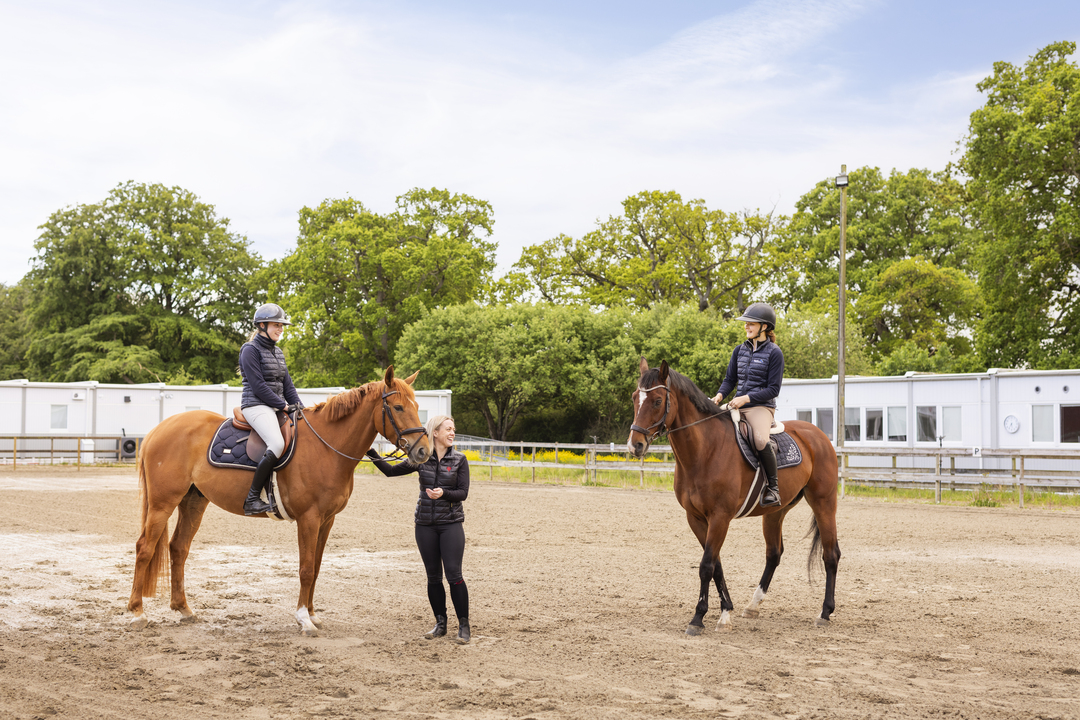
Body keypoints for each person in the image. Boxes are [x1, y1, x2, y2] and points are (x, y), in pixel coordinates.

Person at [366, 415, 472, 643]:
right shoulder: (421, 458)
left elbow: (463, 492)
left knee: (454, 575)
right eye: (448, 429)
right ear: (435, 433)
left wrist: (444, 494)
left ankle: (464, 625)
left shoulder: (460, 459)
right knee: (433, 577)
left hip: (451, 524)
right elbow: (390, 471)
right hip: (424, 525)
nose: (452, 433)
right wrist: (371, 452)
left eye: (454, 429)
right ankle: (440, 623)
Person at [711, 302, 785, 508]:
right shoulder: (739, 350)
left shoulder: (774, 353)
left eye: (751, 323)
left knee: (761, 441)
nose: (746, 327)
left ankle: (773, 488)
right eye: (745, 324)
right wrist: (719, 396)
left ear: (764, 327)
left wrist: (746, 398)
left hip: (761, 406)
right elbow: (729, 380)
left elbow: (773, 389)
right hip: (737, 404)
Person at [239, 303, 303, 516]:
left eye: (282, 325)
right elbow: (258, 386)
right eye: (277, 325)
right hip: (256, 405)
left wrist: (301, 409)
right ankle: (252, 498)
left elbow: (288, 386)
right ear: (262, 325)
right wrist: (282, 405)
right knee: (276, 443)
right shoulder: (249, 350)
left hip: (274, 405)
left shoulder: (277, 352)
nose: (281, 329)